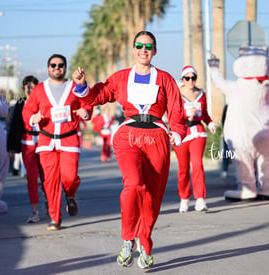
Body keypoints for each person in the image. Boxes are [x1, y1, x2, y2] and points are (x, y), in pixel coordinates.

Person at [72, 31, 186, 269]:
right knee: (133, 184)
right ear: (133, 49)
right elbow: (96, 96)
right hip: (128, 136)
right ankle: (128, 238)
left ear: (154, 51)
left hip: (157, 137)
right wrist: (82, 85)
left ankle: (145, 244)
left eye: (148, 46)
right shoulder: (121, 77)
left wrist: (176, 133)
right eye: (139, 45)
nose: (143, 49)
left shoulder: (165, 78)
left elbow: (176, 109)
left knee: (152, 198)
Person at [22, 54, 93, 231]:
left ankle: (70, 194)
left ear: (65, 68)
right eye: (53, 65)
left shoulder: (74, 87)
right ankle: (55, 218)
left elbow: (87, 101)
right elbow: (27, 111)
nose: (56, 68)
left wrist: (85, 111)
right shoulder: (39, 89)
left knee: (69, 177)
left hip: (69, 139)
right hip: (47, 141)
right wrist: (33, 118)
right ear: (48, 68)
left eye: (60, 65)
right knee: (50, 181)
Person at [173, 66, 217, 213]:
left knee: (197, 164)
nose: (190, 81)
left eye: (193, 78)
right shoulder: (177, 95)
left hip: (198, 132)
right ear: (183, 79)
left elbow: (204, 114)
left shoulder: (201, 94)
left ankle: (200, 200)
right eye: (187, 78)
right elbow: (173, 116)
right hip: (181, 133)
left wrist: (210, 123)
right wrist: (186, 114)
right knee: (183, 169)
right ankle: (184, 199)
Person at [7, 75, 48, 223]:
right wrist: (11, 147)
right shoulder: (20, 104)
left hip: (44, 143)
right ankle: (35, 211)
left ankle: (48, 201)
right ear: (24, 89)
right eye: (27, 87)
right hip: (27, 145)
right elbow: (14, 126)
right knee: (31, 178)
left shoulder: (44, 101)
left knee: (47, 178)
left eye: (33, 86)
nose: (30, 89)